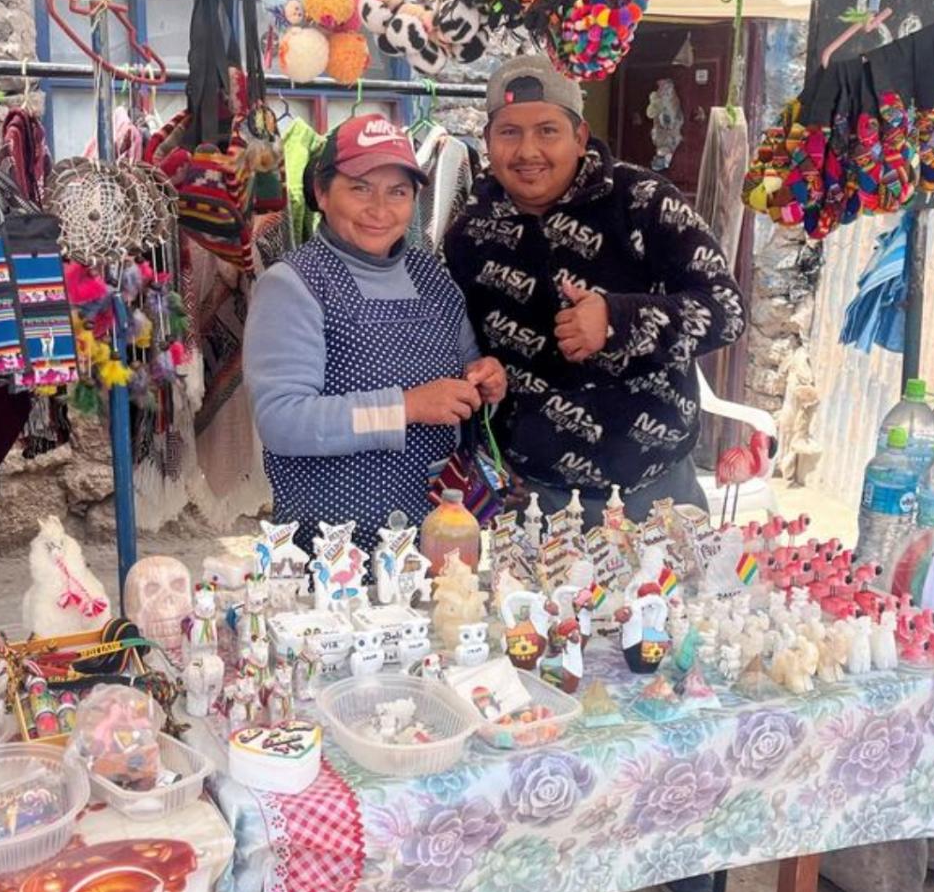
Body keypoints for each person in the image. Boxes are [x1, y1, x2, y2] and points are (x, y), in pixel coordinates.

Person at [444, 56, 747, 532]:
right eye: (509, 133)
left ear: (580, 137)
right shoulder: (468, 233)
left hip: (657, 493)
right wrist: (483, 373)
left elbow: (727, 312)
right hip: (536, 503)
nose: (528, 151)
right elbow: (465, 347)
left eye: (547, 130)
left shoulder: (643, 201)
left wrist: (619, 319)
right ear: (487, 142)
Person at [245, 114, 507, 552]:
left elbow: (466, 379)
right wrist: (407, 407)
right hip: (335, 547)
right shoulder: (293, 285)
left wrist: (485, 382)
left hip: (436, 534)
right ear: (321, 193)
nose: (380, 209)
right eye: (360, 187)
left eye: (397, 192)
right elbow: (283, 420)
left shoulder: (431, 276)